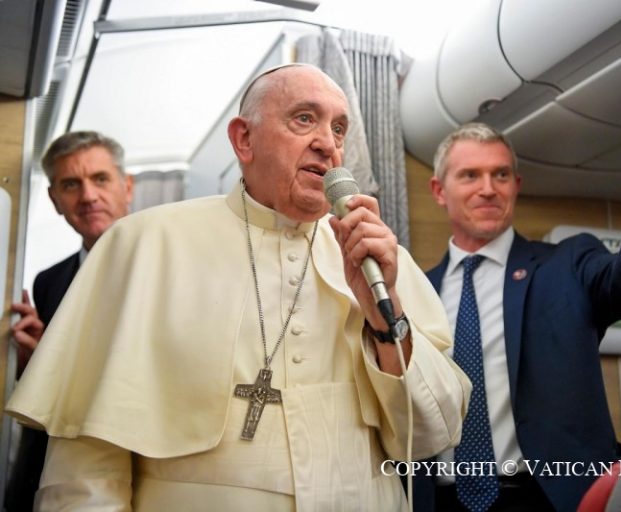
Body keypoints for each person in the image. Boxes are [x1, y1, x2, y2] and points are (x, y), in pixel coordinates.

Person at [6, 63, 471, 511]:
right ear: (244, 139)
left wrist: (385, 322)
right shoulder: (144, 243)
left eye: (338, 129)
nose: (327, 143)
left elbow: (431, 434)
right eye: (304, 119)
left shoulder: (380, 262)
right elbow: (86, 468)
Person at [415, 53, 621, 512]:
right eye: (470, 175)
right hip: (438, 499)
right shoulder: (413, 294)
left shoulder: (568, 264)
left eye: (500, 175)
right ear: (439, 191)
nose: (488, 188)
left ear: (516, 185)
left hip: (552, 497)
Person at [5, 130, 134, 512]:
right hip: (55, 474)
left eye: (100, 179)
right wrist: (33, 362)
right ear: (54, 200)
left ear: (127, 187)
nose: (88, 196)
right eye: (71, 184)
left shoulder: (172, 267)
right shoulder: (48, 281)